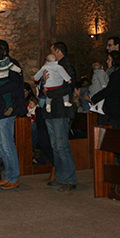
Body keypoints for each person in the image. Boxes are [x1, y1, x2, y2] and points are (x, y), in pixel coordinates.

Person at [0, 40, 27, 190]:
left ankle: (13, 177)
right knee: (1, 143)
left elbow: (15, 84)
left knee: (7, 144)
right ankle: (7, 175)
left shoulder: (11, 63)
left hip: (7, 107)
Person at [41, 41, 78, 192]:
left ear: (58, 51)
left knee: (62, 145)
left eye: (52, 51)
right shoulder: (52, 66)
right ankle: (61, 177)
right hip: (51, 110)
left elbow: (68, 87)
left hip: (60, 110)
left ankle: (69, 179)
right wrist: (44, 81)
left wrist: (48, 93)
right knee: (55, 145)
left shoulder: (65, 66)